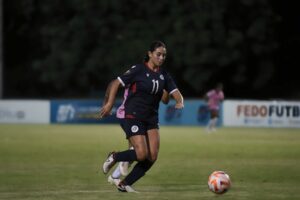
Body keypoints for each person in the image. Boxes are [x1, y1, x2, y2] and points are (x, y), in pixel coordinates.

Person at [99, 40, 184, 192]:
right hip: (133, 115)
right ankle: (115, 157)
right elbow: (116, 83)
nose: (161, 58)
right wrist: (109, 103)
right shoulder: (138, 69)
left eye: (164, 55)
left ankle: (124, 184)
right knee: (141, 153)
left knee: (152, 156)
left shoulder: (164, 75)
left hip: (151, 118)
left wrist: (179, 101)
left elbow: (174, 94)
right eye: (158, 54)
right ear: (150, 54)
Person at [106, 86, 170, 187]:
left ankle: (116, 176)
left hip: (143, 117)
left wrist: (166, 86)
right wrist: (108, 103)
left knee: (137, 152)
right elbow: (114, 84)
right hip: (129, 115)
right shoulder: (136, 72)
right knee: (141, 152)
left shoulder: (158, 77)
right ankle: (116, 161)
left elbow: (165, 99)